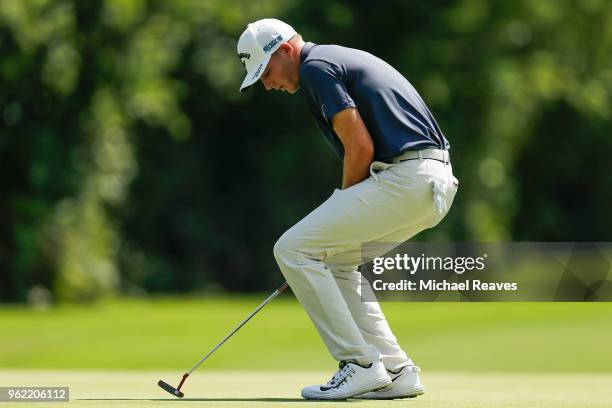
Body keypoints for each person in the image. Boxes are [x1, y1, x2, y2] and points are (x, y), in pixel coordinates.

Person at [237, 18, 458, 400]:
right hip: (432, 183)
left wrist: (328, 221)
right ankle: (395, 369)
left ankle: (357, 364)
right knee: (337, 262)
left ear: (286, 50)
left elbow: (360, 148)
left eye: (267, 72)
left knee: (291, 248)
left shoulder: (316, 68)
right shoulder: (329, 61)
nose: (267, 84)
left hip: (408, 179)